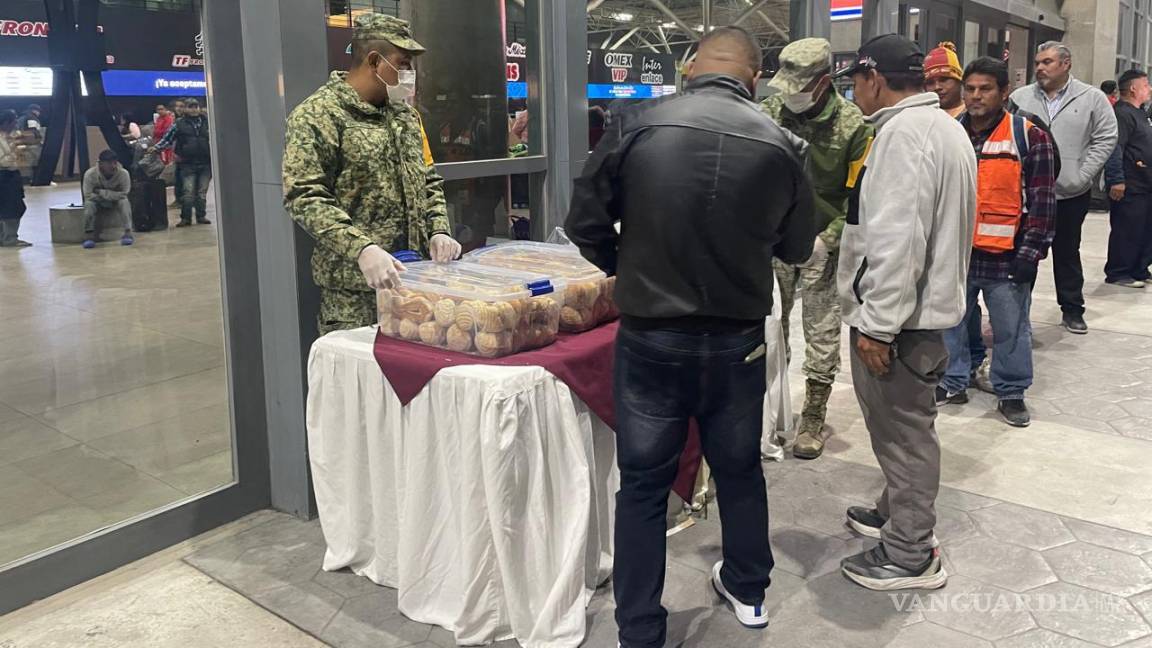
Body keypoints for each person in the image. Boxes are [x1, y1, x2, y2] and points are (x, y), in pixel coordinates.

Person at [566, 26, 815, 647]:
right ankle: (750, 590)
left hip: (652, 336)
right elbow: (797, 246)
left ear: (691, 68)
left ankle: (640, 629)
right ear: (755, 78)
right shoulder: (784, 143)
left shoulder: (638, 125)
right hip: (736, 339)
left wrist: (627, 265)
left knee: (644, 484)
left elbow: (584, 221)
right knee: (738, 469)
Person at [833, 34, 977, 591]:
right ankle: (897, 514)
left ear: (874, 78)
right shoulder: (943, 126)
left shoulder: (905, 134)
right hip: (921, 317)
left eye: (854, 83)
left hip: (903, 324)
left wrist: (877, 324)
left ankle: (910, 553)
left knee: (905, 435)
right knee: (903, 427)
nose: (853, 93)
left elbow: (898, 240)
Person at [283, 14, 462, 335]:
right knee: (358, 383)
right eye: (404, 63)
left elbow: (428, 180)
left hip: (414, 284)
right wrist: (362, 249)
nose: (410, 74)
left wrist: (439, 230)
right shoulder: (318, 115)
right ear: (375, 61)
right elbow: (304, 197)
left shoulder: (406, 117)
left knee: (410, 381)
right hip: (353, 295)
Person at [761, 37, 873, 459]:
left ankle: (812, 417)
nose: (791, 95)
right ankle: (771, 410)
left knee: (822, 332)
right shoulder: (767, 115)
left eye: (801, 85)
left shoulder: (853, 125)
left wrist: (829, 239)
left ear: (825, 81)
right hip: (773, 243)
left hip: (824, 245)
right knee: (770, 328)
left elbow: (860, 194)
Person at [938, 57, 1057, 428]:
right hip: (957, 254)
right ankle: (953, 380)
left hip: (1006, 259)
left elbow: (1043, 200)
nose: (976, 96)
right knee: (952, 322)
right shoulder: (949, 133)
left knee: (1010, 327)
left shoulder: (1028, 135)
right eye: (970, 88)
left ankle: (1011, 391)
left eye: (985, 89)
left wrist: (1031, 252)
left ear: (1004, 92)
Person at [1009, 42, 1117, 335]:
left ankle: (1072, 309)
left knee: (1067, 252)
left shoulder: (1092, 98)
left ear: (1066, 64)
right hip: (1028, 194)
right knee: (1024, 253)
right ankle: (1016, 313)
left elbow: (1106, 138)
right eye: (1038, 62)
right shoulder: (1020, 97)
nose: (1040, 68)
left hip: (1070, 193)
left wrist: (1082, 176)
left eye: (1047, 62)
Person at [1103, 69, 1152, 288]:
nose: (1149, 88)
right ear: (1133, 88)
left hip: (1145, 183)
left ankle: (1138, 268)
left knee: (1144, 228)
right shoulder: (1122, 114)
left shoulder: (1141, 113)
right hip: (1130, 183)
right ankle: (1119, 271)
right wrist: (1116, 179)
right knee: (1127, 229)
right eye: (1146, 85)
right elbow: (1115, 147)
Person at [155, 98, 212, 227]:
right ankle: (186, 218)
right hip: (187, 163)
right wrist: (155, 149)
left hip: (206, 163)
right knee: (188, 192)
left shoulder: (207, 122)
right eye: (191, 107)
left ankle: (201, 216)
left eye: (196, 106)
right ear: (186, 109)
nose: (194, 109)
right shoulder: (178, 124)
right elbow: (167, 139)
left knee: (202, 192)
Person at [81, 150, 134, 248]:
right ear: (100, 164)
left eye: (115, 163)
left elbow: (124, 194)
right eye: (109, 163)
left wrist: (100, 192)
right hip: (97, 201)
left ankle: (128, 232)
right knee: (89, 204)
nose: (113, 166)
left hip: (115, 201)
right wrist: (112, 195)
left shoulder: (124, 174)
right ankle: (88, 235)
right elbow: (88, 195)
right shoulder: (90, 174)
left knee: (124, 202)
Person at [0, 110, 30, 248]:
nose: (16, 123)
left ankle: (6, 237)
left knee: (13, 207)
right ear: (6, 122)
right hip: (4, 177)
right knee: (12, 208)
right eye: (14, 121)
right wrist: (14, 152)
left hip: (13, 176)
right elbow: (4, 161)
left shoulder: (12, 136)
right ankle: (9, 238)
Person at [924, 42, 964, 118]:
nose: (937, 87)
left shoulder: (975, 115)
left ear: (959, 80)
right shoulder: (922, 117)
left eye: (943, 80)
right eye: (930, 82)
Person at [169, 99, 187, 207]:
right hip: (178, 153)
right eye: (177, 106)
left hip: (186, 154)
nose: (178, 108)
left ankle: (184, 200)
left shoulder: (184, 122)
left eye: (181, 106)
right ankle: (179, 199)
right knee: (178, 177)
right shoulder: (176, 121)